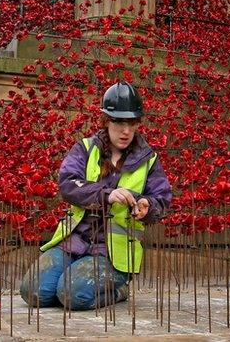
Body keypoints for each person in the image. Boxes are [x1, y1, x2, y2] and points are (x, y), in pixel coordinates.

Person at [20, 81, 173, 311]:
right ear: (105, 120)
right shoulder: (84, 148)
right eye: (119, 122)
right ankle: (69, 282)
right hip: (73, 243)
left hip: (111, 255)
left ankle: (117, 290)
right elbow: (68, 184)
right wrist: (107, 195)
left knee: (71, 295)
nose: (126, 131)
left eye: (132, 123)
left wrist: (147, 205)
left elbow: (161, 199)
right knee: (33, 292)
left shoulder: (149, 160)